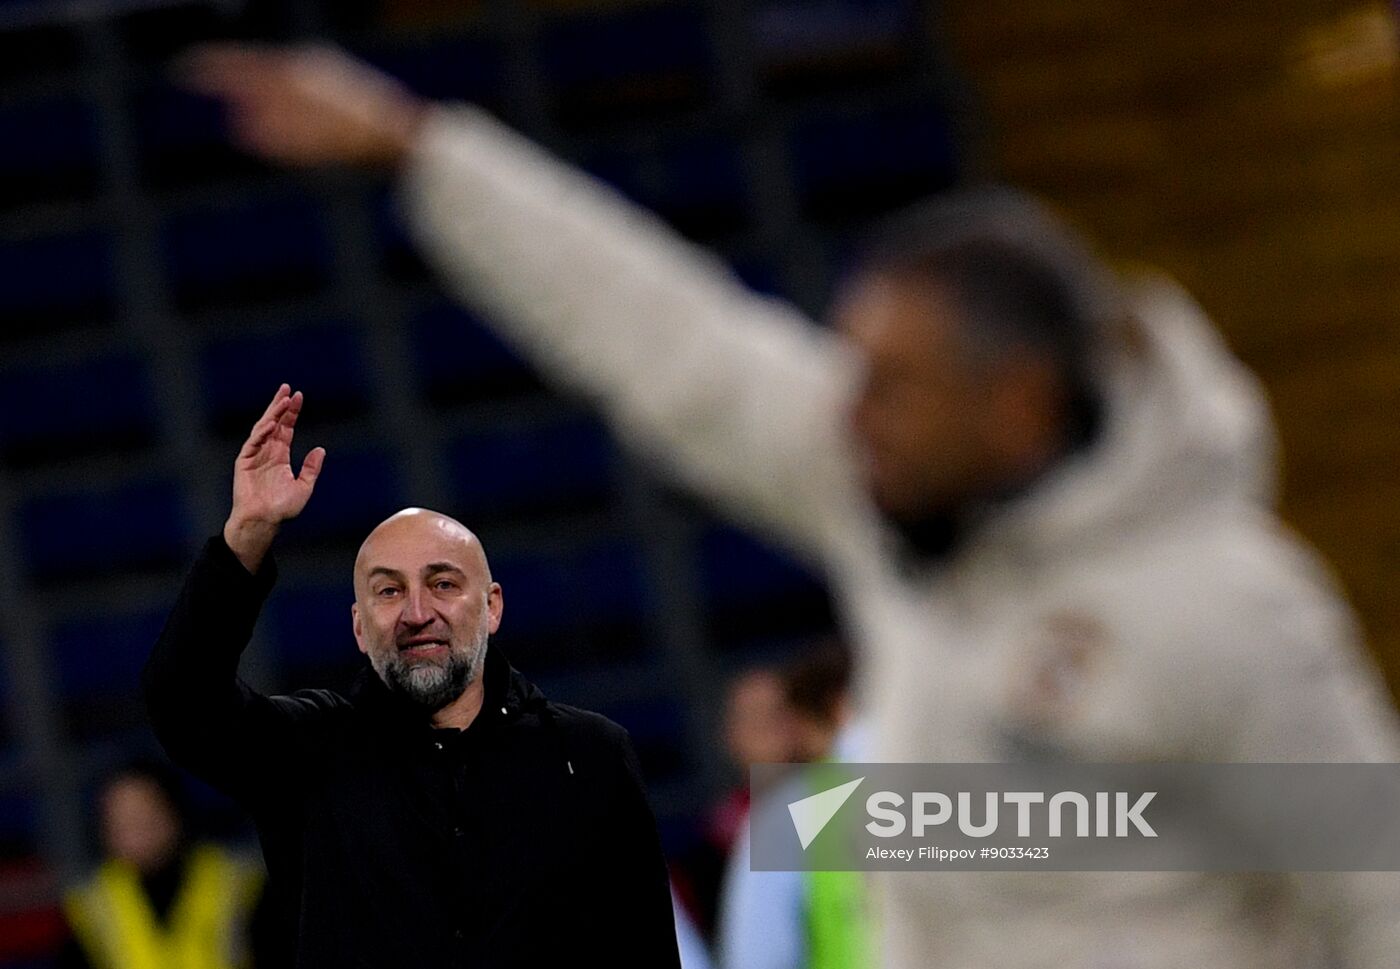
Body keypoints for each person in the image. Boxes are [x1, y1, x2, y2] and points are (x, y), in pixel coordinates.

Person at [180, 45, 1400, 967]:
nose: (849, 413)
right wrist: (423, 151)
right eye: (851, 366)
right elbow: (672, 341)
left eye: (896, 385)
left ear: (1016, 405)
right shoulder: (891, 496)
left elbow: (1372, 899)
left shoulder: (1228, 609)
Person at [143, 385, 681, 968]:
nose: (418, 611)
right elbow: (181, 701)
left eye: (444, 583)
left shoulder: (589, 756)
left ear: (493, 606)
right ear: (358, 625)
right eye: (389, 591)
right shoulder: (308, 753)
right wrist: (246, 535)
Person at [59, 759, 264, 969]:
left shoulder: (237, 880)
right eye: (122, 823)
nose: (137, 834)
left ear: (174, 811)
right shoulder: (92, 905)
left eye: (145, 817)